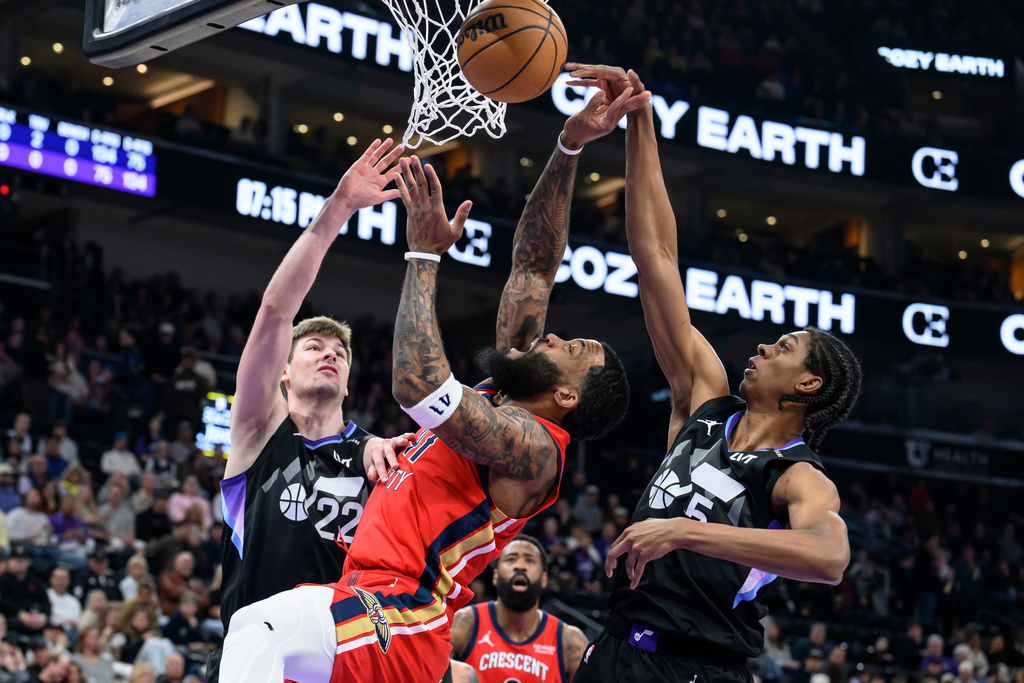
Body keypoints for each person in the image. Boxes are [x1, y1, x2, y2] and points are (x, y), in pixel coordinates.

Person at [218, 87, 642, 683]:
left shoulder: (536, 449)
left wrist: (423, 256)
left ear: (568, 396)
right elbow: (534, 266)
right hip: (364, 596)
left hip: (402, 611)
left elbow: (418, 387)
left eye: (571, 350)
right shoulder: (504, 391)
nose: (553, 338)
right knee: (263, 643)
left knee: (258, 629)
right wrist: (569, 145)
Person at [563, 64, 862, 683]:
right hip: (616, 649)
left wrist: (686, 533)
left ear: (809, 386)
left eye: (783, 347)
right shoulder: (707, 404)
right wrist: (639, 118)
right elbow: (657, 260)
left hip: (698, 668)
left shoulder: (798, 477)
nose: (763, 346)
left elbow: (829, 556)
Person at [450, 535, 589, 683]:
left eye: (529, 560)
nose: (520, 566)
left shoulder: (570, 641)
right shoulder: (465, 623)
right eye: (511, 559)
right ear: (495, 576)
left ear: (544, 579)